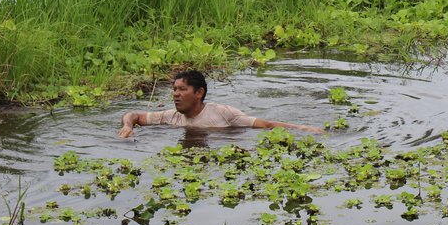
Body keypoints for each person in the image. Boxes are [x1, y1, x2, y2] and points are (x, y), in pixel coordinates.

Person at [118, 70, 323, 138]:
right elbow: (133, 115)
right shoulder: (170, 116)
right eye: (174, 90)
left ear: (199, 93)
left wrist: (304, 128)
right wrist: (128, 126)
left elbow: (266, 124)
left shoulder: (224, 113)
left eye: (182, 89)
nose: (176, 95)